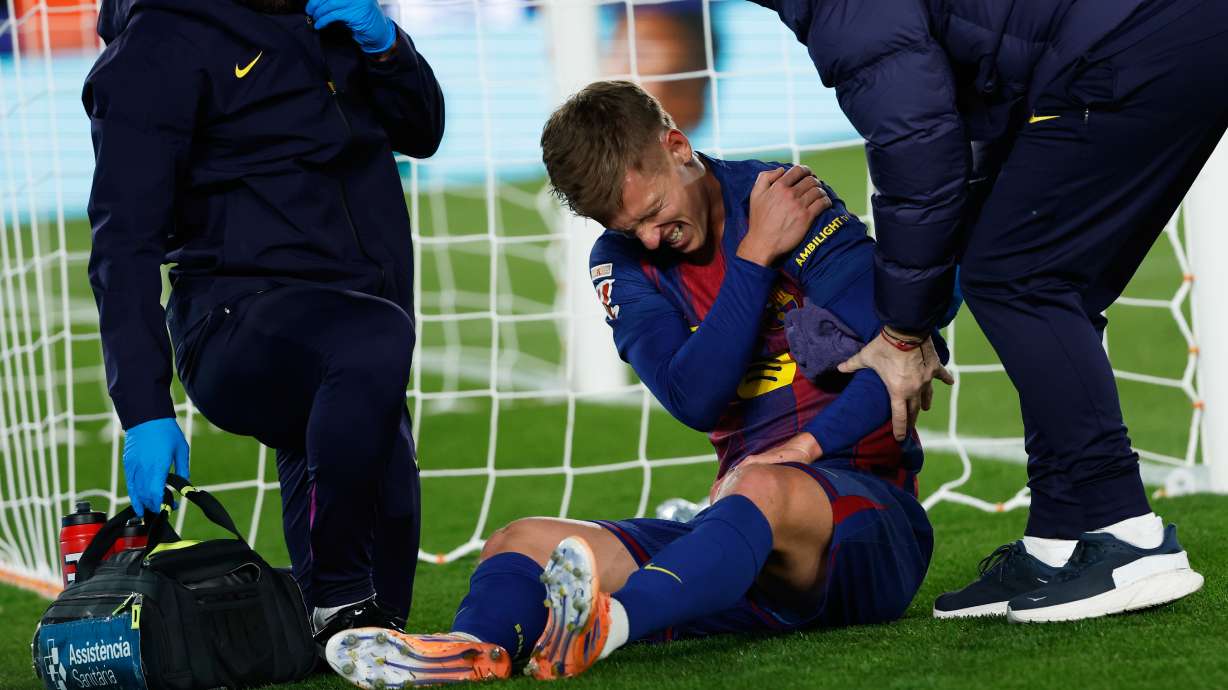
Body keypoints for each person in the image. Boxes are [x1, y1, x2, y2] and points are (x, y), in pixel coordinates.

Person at [321, 80, 940, 689]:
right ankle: (472, 649)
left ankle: (609, 622)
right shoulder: (620, 259)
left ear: (677, 146)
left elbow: (897, 361)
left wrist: (806, 448)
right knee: (521, 541)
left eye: (651, 214)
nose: (647, 238)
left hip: (865, 532)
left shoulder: (785, 200)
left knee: (761, 485)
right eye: (623, 226)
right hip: (739, 535)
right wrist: (752, 263)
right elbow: (693, 398)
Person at [751, 0, 1223, 622]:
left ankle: (1125, 532)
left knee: (1020, 276)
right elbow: (976, 115)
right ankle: (1062, 535)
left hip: (1137, 42)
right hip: (1172, 35)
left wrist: (902, 328)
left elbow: (919, 153)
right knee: (1046, 281)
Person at [83, 0, 443, 649]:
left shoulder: (332, 16)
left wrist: (387, 45)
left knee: (382, 613)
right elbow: (122, 242)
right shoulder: (162, 38)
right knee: (369, 344)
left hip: (359, 331)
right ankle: (336, 599)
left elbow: (423, 130)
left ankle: (320, 615)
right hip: (234, 322)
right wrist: (143, 408)